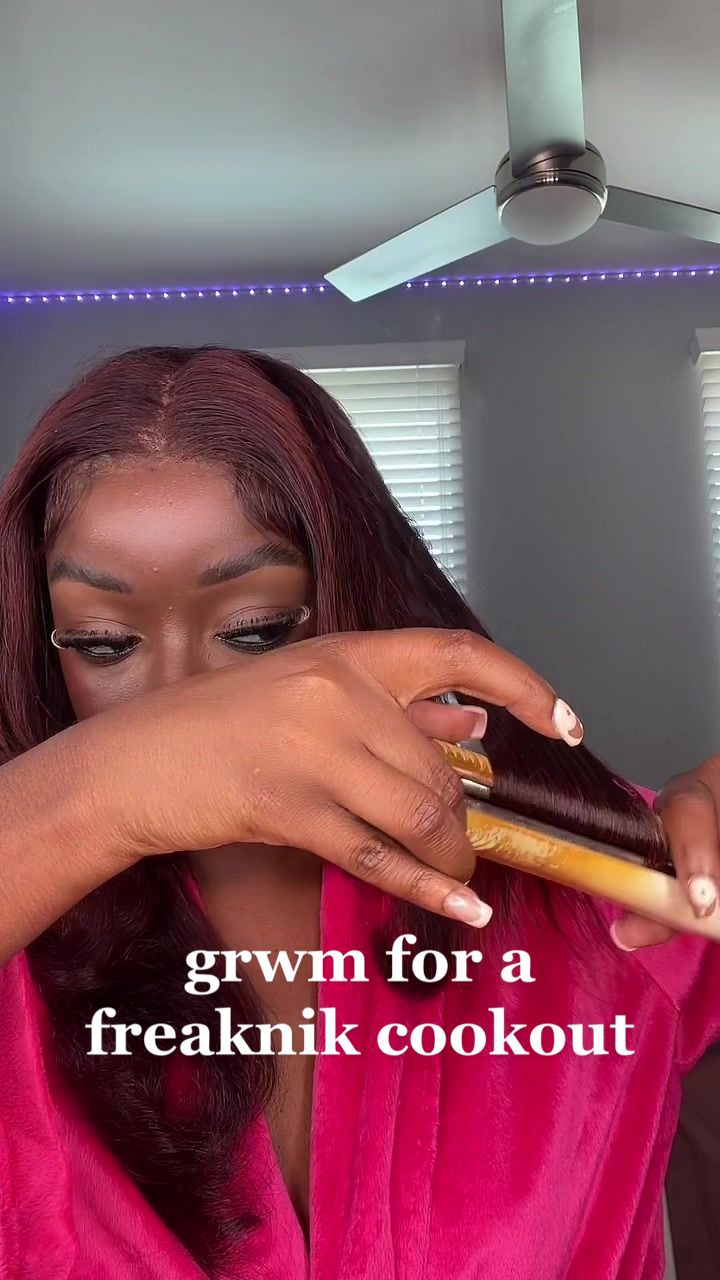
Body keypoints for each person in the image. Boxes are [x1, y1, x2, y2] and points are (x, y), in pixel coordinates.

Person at [0, 345, 718, 1280]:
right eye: (102, 643)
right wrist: (108, 792)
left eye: (254, 632)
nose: (182, 703)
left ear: (358, 609)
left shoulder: (603, 896)